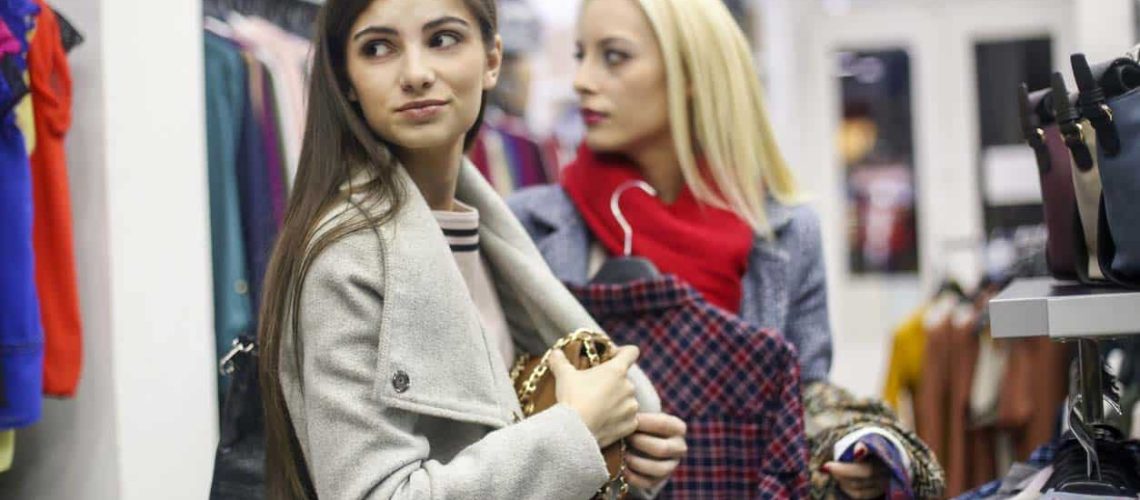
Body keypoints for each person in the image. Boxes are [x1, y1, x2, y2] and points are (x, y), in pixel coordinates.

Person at [507, 0, 944, 498]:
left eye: (614, 57)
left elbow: (803, 404)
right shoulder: (528, 227)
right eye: (581, 54)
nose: (582, 80)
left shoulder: (785, 233)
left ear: (692, 72)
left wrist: (848, 456)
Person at [255, 0, 687, 498]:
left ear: (491, 60)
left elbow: (504, 432)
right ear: (346, 79)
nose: (416, 73)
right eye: (378, 48)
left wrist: (615, 455)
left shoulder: (486, 236)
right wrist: (576, 432)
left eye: (442, 39)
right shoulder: (348, 261)